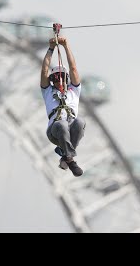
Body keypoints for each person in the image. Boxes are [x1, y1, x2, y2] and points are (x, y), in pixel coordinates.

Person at [40, 35, 86, 177]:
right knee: (62, 125)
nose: (59, 79)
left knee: (79, 121)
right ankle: (70, 159)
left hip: (70, 128)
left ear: (66, 78)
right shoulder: (48, 91)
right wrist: (51, 48)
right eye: (55, 77)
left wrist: (66, 46)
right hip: (55, 130)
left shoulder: (74, 90)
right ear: (51, 80)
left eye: (62, 76)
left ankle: (66, 155)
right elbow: (44, 71)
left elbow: (73, 68)